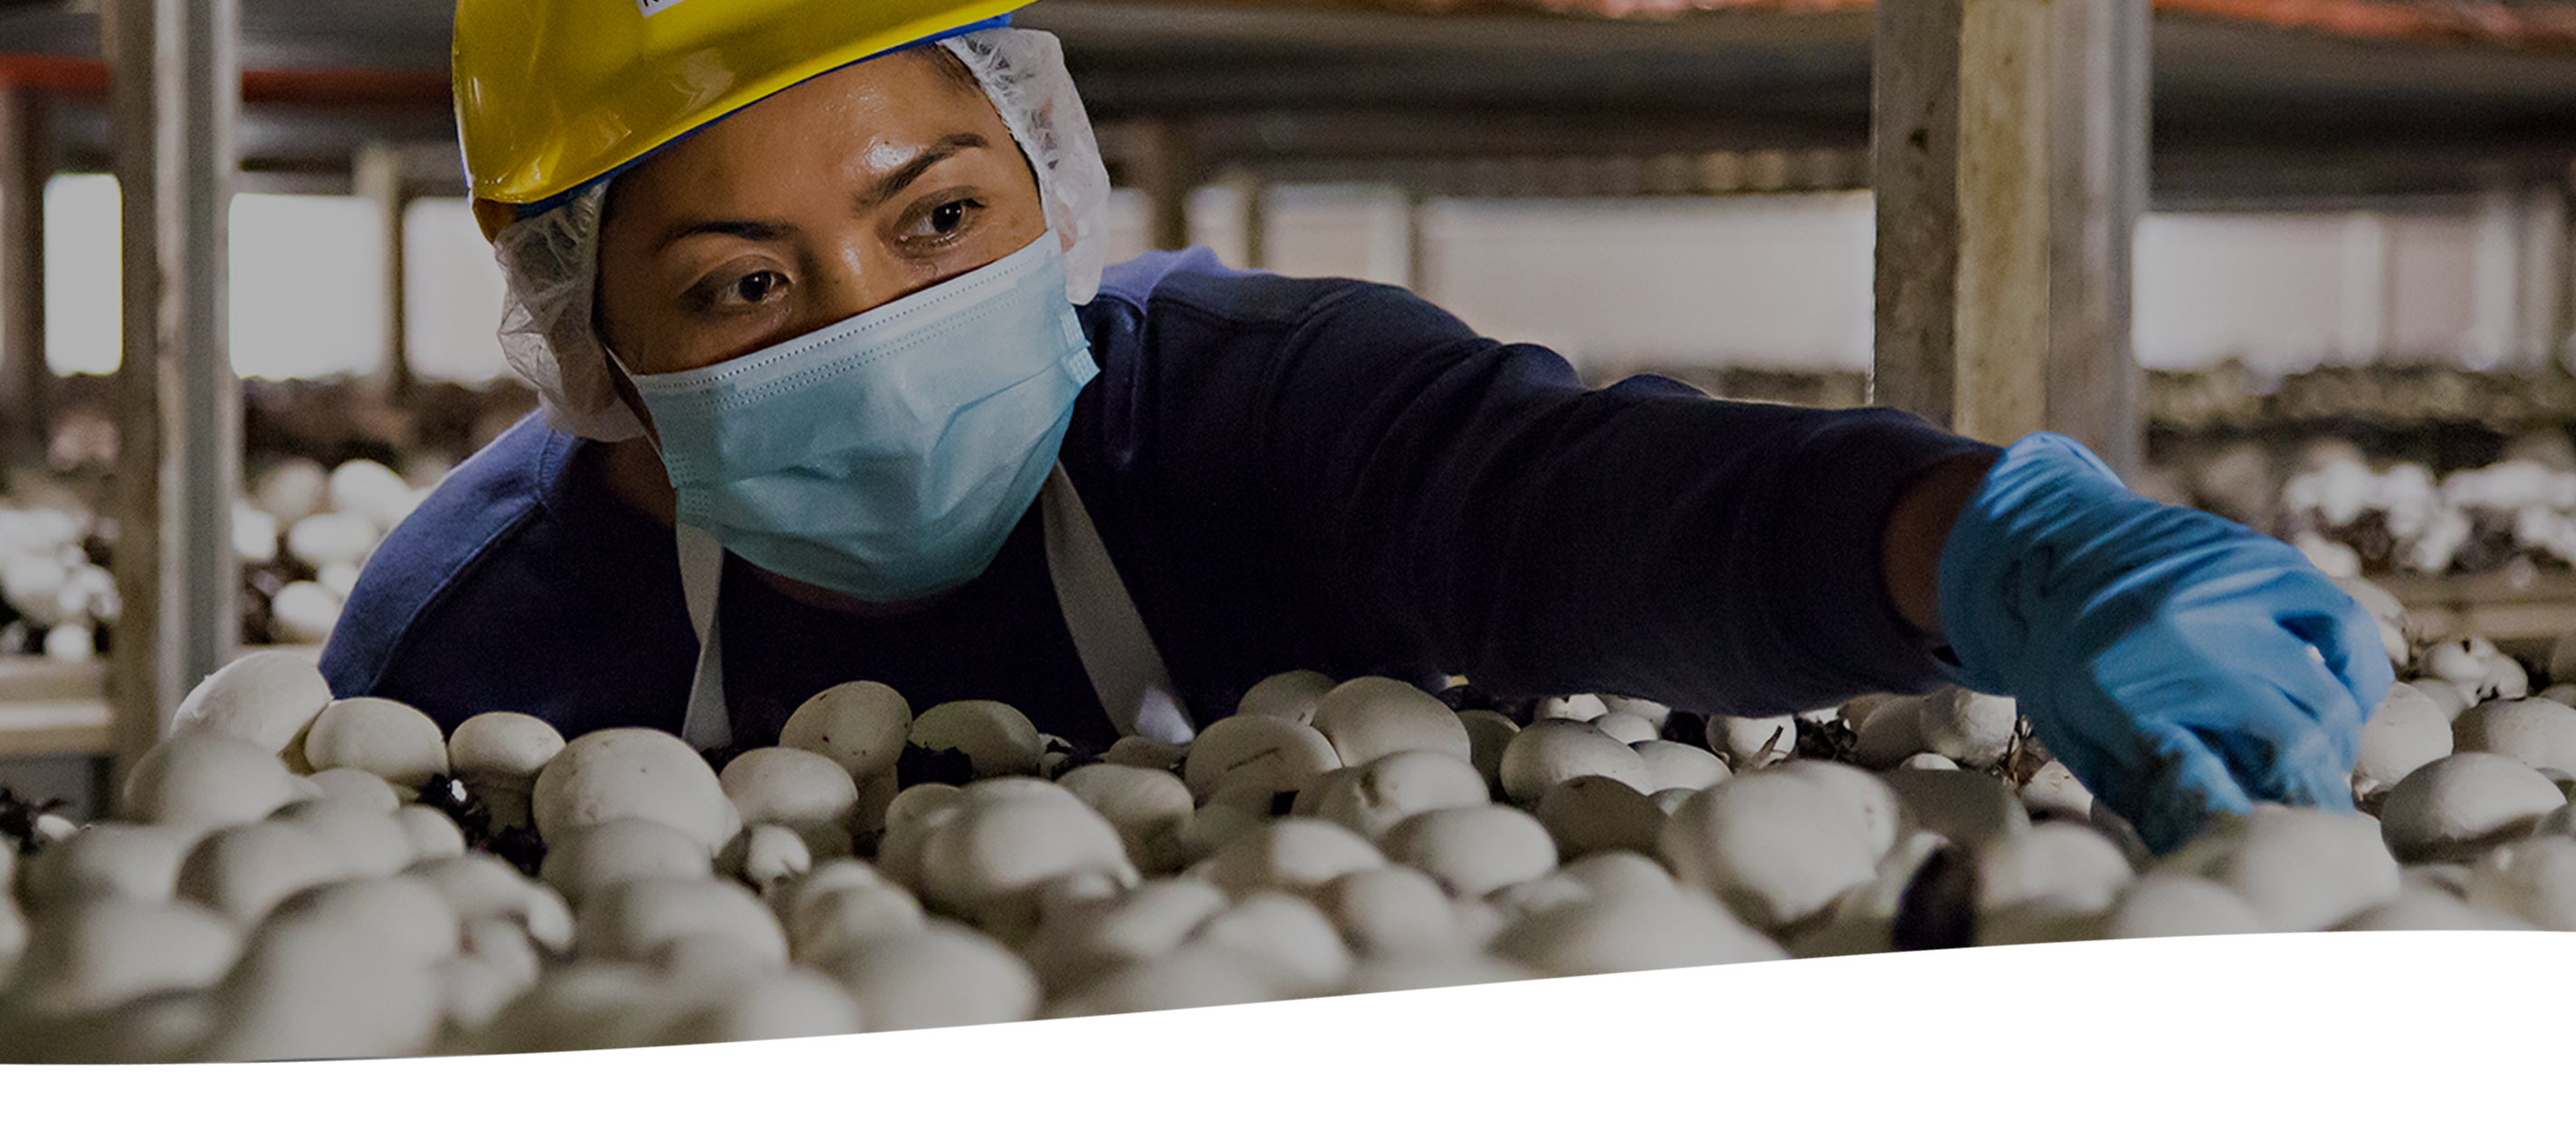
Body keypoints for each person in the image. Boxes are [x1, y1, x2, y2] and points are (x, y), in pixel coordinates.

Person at [324, 0, 2389, 856]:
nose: (881, 321)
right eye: (744, 288)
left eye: (940, 215)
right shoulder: (474, 650)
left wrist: (1987, 548)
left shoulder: (1251, 409)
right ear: (590, 342)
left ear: (1053, 181)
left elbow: (1575, 513)